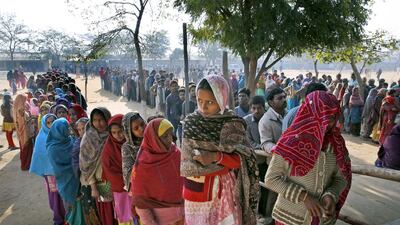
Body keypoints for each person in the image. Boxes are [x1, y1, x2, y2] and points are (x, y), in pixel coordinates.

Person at [181, 75, 259, 225]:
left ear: (222, 99)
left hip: (224, 192)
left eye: (210, 102)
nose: (203, 107)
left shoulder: (233, 124)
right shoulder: (191, 123)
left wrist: (215, 156)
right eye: (199, 101)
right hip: (196, 195)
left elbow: (244, 159)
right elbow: (187, 163)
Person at [265, 91, 352, 225]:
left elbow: (341, 178)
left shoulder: (337, 145)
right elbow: (271, 179)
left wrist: (330, 195)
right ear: (311, 113)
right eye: (324, 116)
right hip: (289, 218)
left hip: (322, 219)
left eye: (333, 117)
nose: (329, 122)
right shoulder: (290, 142)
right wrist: (304, 197)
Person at [130, 118, 184, 225]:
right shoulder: (143, 165)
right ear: (153, 139)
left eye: (170, 134)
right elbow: (141, 202)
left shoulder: (176, 153)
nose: (169, 139)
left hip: (183, 217)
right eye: (164, 136)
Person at [79, 107, 116, 225]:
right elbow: (85, 165)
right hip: (100, 184)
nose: (98, 123)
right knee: (107, 215)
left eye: (101, 119)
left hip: (116, 183)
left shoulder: (114, 134)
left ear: (107, 119)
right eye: (95, 120)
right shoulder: (88, 138)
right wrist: (94, 188)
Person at [30, 114, 66, 225]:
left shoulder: (61, 134)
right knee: (55, 197)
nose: (51, 125)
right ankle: (58, 218)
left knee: (65, 195)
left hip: (64, 172)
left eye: (53, 122)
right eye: (48, 122)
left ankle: (68, 217)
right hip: (50, 174)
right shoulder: (41, 138)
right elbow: (39, 156)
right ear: (44, 124)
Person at [258, 87, 287, 223]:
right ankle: (270, 219)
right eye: (279, 98)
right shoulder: (265, 120)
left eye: (284, 97)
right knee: (274, 195)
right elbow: (265, 143)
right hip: (275, 163)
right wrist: (277, 149)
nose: (284, 100)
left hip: (290, 164)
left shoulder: (289, 114)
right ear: (270, 102)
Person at [102, 114, 137, 225]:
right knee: (125, 218)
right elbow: (109, 171)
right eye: (114, 133)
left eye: (120, 131)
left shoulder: (134, 144)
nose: (118, 135)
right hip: (121, 190)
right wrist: (127, 182)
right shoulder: (108, 148)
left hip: (136, 188)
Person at [47, 118, 80, 212]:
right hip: (66, 182)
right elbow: (58, 168)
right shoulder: (52, 148)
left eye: (67, 127)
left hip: (78, 180)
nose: (68, 130)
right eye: (65, 128)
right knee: (71, 210)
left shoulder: (71, 140)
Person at [243, 96, 268, 220]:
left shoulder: (268, 120)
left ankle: (261, 213)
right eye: (254, 108)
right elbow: (248, 142)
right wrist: (263, 147)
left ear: (264, 108)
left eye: (259, 108)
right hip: (251, 161)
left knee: (264, 188)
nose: (256, 111)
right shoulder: (246, 121)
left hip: (265, 161)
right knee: (251, 188)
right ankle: (250, 213)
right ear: (250, 108)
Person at [121, 112, 146, 191]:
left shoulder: (153, 138)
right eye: (136, 128)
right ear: (130, 132)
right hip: (142, 188)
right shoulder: (127, 148)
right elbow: (129, 173)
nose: (141, 129)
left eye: (142, 124)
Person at [13, 94, 35, 170]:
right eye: (24, 99)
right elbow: (23, 123)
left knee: (24, 150)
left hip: (21, 133)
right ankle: (26, 165)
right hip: (25, 133)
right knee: (27, 150)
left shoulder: (16, 109)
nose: (25, 101)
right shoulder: (21, 109)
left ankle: (25, 165)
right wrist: (31, 119)